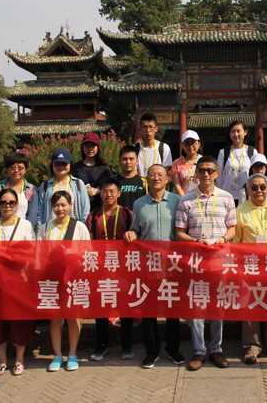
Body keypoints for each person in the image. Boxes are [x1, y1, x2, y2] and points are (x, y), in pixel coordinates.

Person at [175, 156, 237, 371]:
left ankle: (216, 349)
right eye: (201, 170)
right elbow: (179, 233)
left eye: (210, 170)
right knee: (197, 307)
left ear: (217, 173)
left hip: (219, 260)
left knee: (217, 306)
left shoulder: (227, 198)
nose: (206, 174)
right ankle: (199, 351)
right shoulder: (186, 200)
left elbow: (232, 228)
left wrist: (223, 239)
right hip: (195, 261)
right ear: (196, 174)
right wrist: (196, 242)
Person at [124, 164, 185, 369]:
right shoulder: (139, 203)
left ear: (167, 179)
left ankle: (173, 349)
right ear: (147, 179)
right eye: (152, 175)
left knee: (172, 310)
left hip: (172, 264)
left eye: (160, 175)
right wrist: (131, 233)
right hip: (148, 264)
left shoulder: (177, 201)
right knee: (149, 310)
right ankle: (152, 351)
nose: (156, 178)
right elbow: (136, 229)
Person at [234, 173, 267, 364]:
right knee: (250, 306)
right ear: (248, 191)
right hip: (250, 265)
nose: (259, 191)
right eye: (254, 188)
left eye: (262, 187)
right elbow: (236, 242)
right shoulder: (240, 210)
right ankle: (252, 346)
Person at [0, 188, 36, 376]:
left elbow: (32, 250)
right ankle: (2, 361)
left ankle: (19, 360)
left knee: (19, 321)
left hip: (19, 281)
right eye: (3, 202)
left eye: (11, 202)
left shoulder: (25, 225)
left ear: (17, 205)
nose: (7, 206)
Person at [37, 191, 90, 371]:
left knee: (73, 318)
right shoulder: (45, 229)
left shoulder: (79, 227)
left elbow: (88, 252)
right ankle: (57, 355)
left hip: (74, 279)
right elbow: (39, 255)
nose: (60, 209)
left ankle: (72, 354)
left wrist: (73, 256)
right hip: (52, 280)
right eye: (56, 205)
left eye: (63, 205)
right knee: (54, 319)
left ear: (70, 205)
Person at [85, 178, 134, 362]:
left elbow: (134, 239)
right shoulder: (93, 216)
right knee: (101, 308)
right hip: (100, 267)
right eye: (105, 191)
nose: (108, 195)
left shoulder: (127, 214)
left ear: (119, 193)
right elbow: (90, 243)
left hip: (123, 267)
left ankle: (127, 344)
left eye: (112, 191)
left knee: (125, 306)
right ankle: (102, 344)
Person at [38, 148, 90, 226]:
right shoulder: (46, 185)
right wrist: (41, 229)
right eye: (57, 164)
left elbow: (85, 210)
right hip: (51, 229)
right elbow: (40, 212)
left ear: (70, 164)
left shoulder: (78, 183)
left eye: (64, 164)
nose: (60, 166)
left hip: (73, 228)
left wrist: (81, 227)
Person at [0, 152, 39, 228]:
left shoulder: (32, 190)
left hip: (23, 230)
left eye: (20, 168)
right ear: (7, 169)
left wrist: (27, 230)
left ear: (25, 170)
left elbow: (32, 216)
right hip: (1, 230)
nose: (16, 171)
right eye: (12, 168)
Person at [216, 120, 256, 204]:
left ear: (245, 132)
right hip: (227, 196)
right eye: (233, 131)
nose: (236, 134)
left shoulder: (252, 151)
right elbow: (219, 177)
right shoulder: (223, 153)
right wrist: (219, 196)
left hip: (247, 196)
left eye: (238, 131)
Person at [72, 132, 113, 211]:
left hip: (99, 209)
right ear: (82, 147)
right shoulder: (76, 167)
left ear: (98, 147)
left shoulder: (104, 168)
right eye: (87, 146)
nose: (90, 149)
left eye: (93, 146)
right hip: (80, 208)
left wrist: (98, 191)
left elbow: (111, 187)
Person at [136, 112, 173, 179]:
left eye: (151, 127)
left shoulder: (164, 148)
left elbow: (164, 173)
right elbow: (133, 172)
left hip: (157, 183)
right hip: (140, 184)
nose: (148, 130)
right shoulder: (135, 149)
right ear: (140, 129)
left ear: (156, 129)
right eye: (144, 127)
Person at [113, 145, 146, 212]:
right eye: (124, 159)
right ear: (119, 161)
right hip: (117, 217)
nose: (128, 162)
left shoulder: (144, 183)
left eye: (131, 159)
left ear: (137, 161)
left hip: (138, 218)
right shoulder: (112, 181)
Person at [170, 130, 202, 197]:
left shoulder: (204, 161)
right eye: (187, 144)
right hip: (183, 198)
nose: (190, 146)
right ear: (182, 145)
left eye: (193, 143)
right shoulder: (176, 163)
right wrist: (184, 200)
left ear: (199, 144)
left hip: (201, 198)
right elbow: (177, 186)